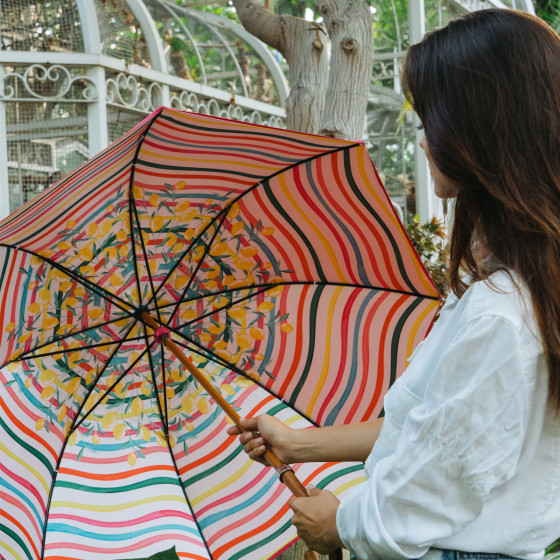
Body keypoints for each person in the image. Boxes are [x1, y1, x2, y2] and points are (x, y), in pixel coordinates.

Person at [228, 9, 560, 560]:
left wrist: (339, 525)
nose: (425, 141)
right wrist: (300, 443)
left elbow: (431, 493)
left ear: (476, 128)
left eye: (431, 119)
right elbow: (432, 429)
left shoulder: (500, 317)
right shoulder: (516, 288)